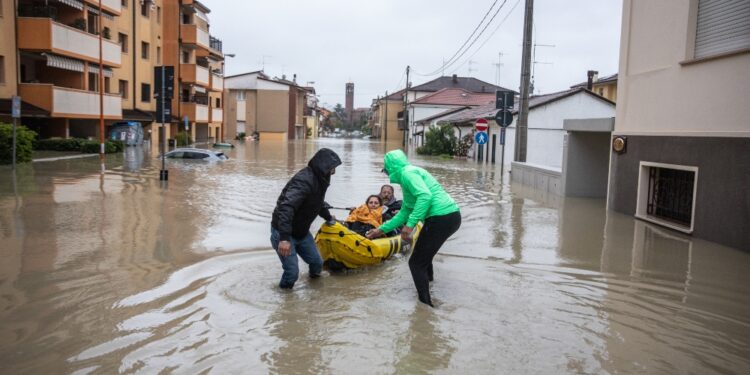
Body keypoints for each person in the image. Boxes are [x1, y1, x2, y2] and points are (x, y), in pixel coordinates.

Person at [366, 149, 461, 307]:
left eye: (386, 170)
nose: (386, 173)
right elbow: (404, 211)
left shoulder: (407, 174)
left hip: (441, 218)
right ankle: (429, 286)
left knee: (415, 263)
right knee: (424, 258)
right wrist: (380, 230)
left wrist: (409, 226)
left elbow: (425, 196)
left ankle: (425, 307)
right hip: (449, 216)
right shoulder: (408, 175)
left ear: (391, 167)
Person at [270, 148, 342, 289]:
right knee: (292, 273)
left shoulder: (322, 179)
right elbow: (286, 207)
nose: (334, 171)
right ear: (324, 166)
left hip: (301, 232)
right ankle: (285, 299)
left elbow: (317, 203)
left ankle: (314, 289)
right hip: (284, 233)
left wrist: (328, 218)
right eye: (333, 167)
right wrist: (284, 239)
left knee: (317, 264)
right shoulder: (304, 181)